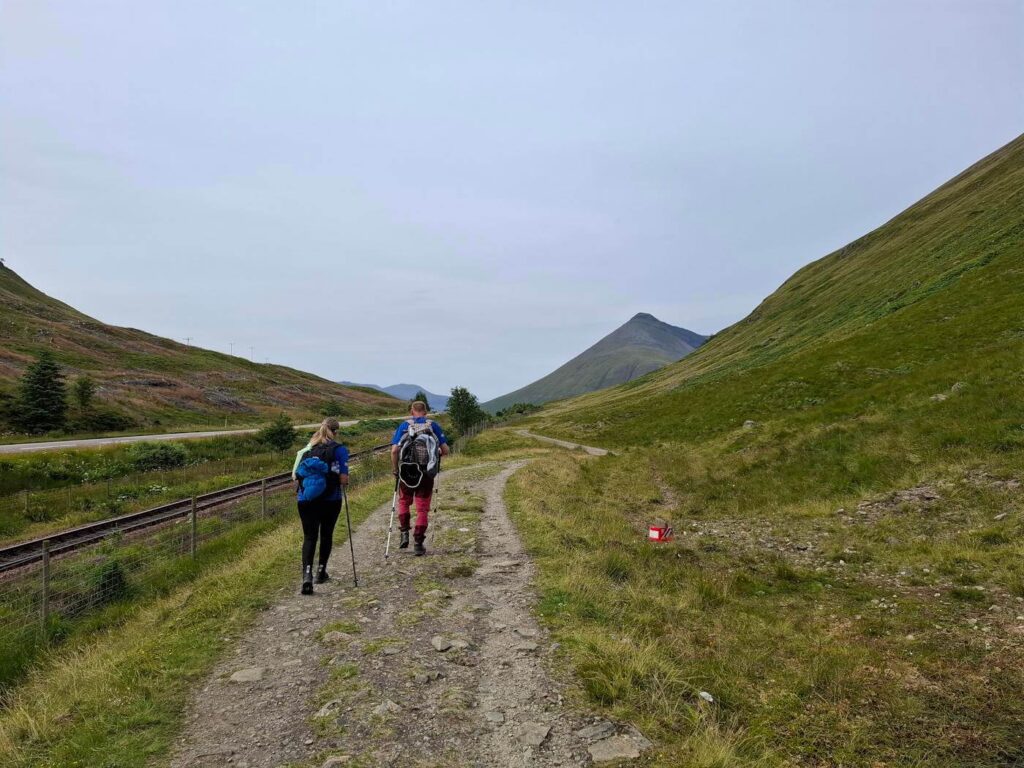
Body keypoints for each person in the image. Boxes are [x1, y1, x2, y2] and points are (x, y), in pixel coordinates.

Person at [294, 417, 349, 594]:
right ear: (336, 431)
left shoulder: (307, 450)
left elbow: (295, 476)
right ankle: (321, 571)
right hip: (331, 499)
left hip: (306, 500)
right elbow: (343, 478)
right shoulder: (339, 450)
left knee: (310, 537)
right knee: (326, 534)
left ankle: (307, 576)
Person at [391, 401, 449, 556]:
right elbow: (446, 450)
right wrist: (436, 452)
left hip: (406, 472)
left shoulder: (404, 426)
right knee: (422, 508)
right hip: (425, 473)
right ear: (426, 411)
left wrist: (396, 469)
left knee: (404, 502)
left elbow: (394, 450)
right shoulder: (432, 426)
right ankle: (418, 542)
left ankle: (404, 532)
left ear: (412, 411)